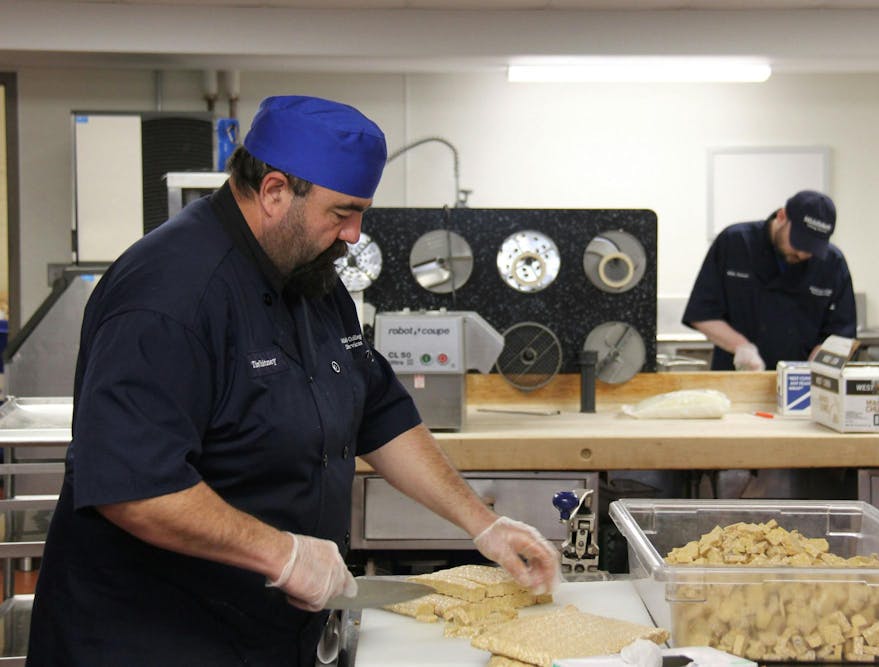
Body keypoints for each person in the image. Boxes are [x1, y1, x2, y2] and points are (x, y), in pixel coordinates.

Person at [26, 96, 559, 667]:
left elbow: (378, 412)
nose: (355, 235)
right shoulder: (168, 296)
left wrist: (484, 525)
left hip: (266, 636)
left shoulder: (311, 275)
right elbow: (136, 487)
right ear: (276, 190)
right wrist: (281, 554)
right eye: (342, 213)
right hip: (149, 640)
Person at [683, 190, 857, 371]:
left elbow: (841, 334)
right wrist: (741, 347)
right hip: (737, 377)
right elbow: (702, 314)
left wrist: (817, 368)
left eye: (812, 247)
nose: (803, 254)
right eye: (799, 242)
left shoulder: (832, 263)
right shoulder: (734, 243)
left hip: (801, 387)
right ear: (782, 216)